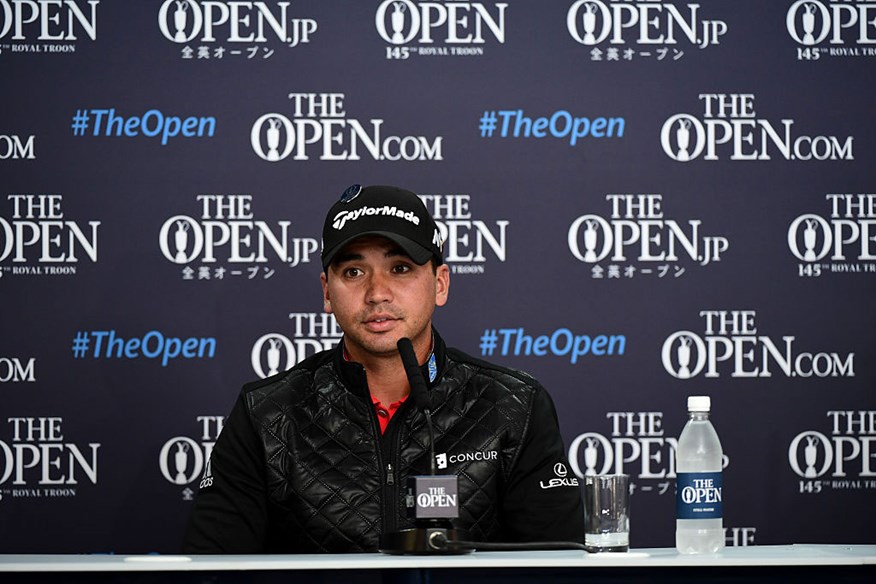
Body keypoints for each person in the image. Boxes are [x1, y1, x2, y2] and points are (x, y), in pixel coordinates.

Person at [182, 184, 585, 553]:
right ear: (327, 292)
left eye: (400, 268)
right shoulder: (265, 414)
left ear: (440, 283)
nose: (377, 293)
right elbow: (212, 573)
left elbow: (557, 570)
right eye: (353, 272)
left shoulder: (512, 406)